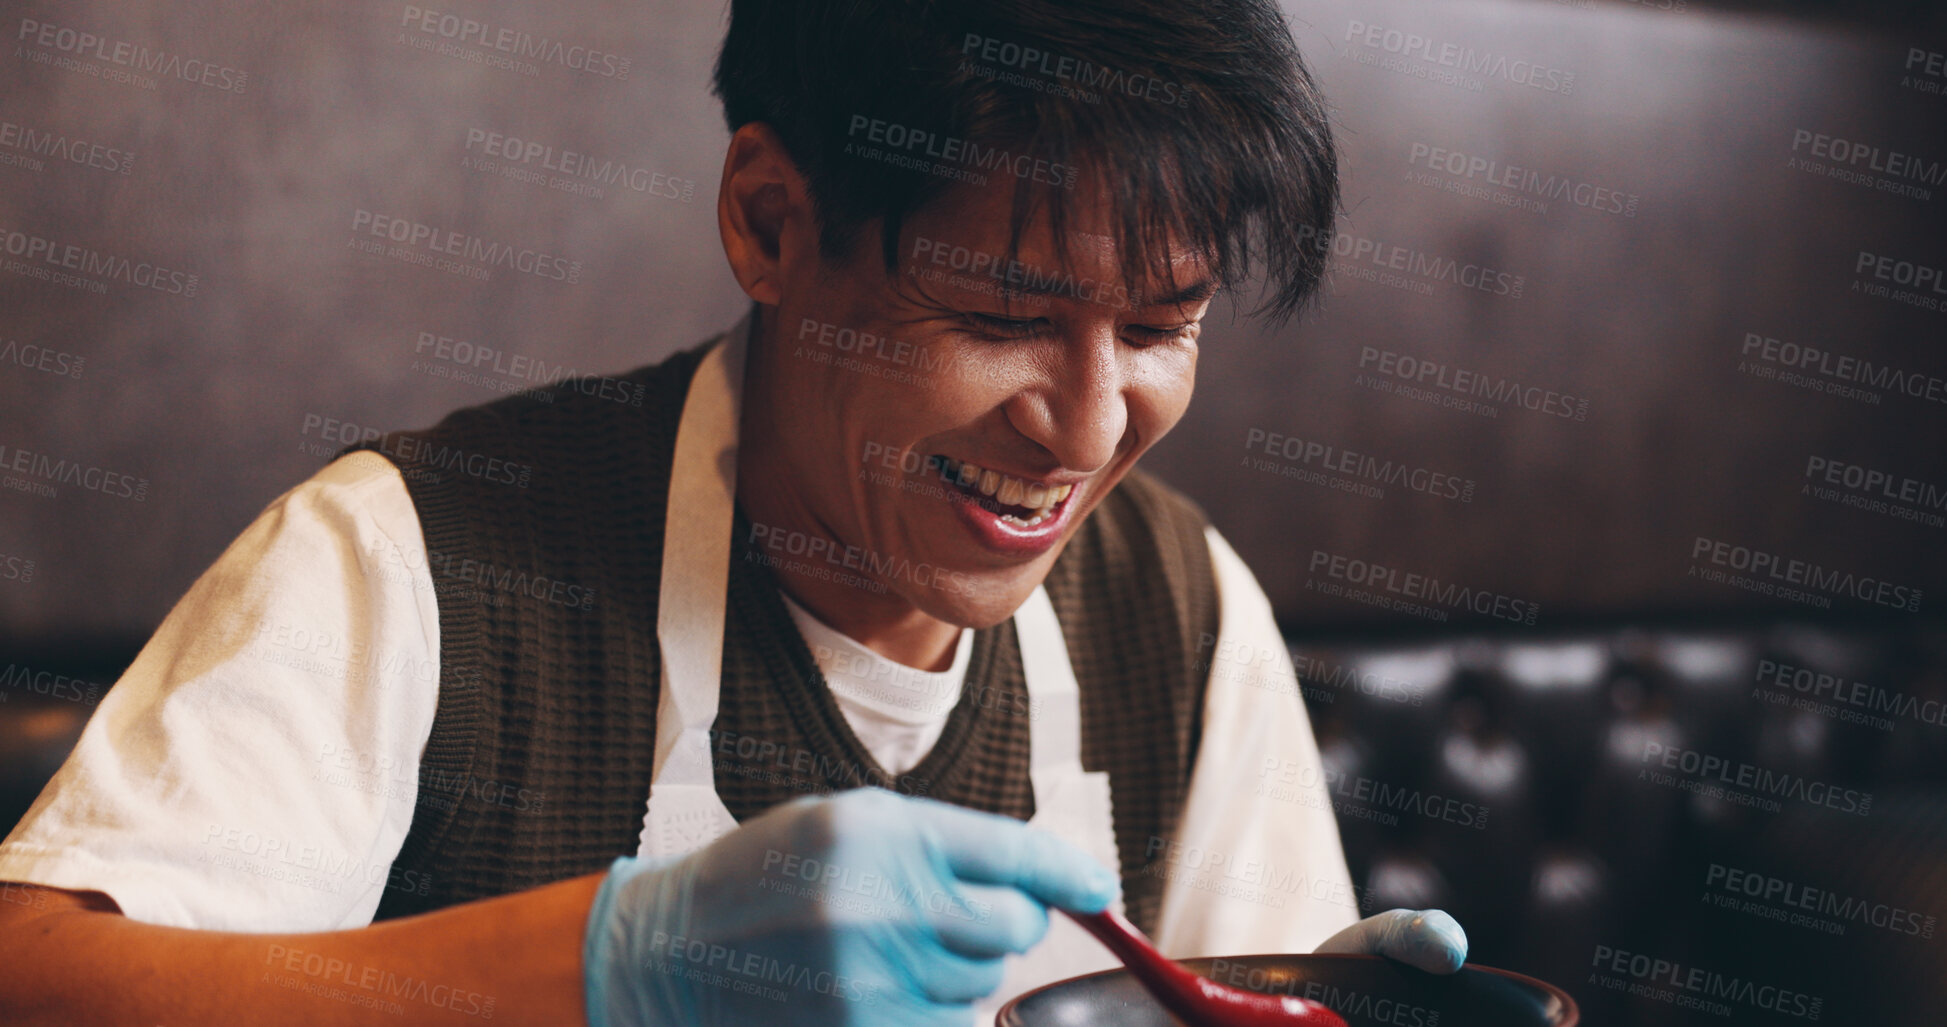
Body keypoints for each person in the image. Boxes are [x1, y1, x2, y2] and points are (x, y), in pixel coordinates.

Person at [0, 1, 1470, 1023]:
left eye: (1161, 330)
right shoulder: (427, 554)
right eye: (1000, 313)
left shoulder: (1181, 610)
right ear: (772, 222)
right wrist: (611, 972)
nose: (1087, 429)